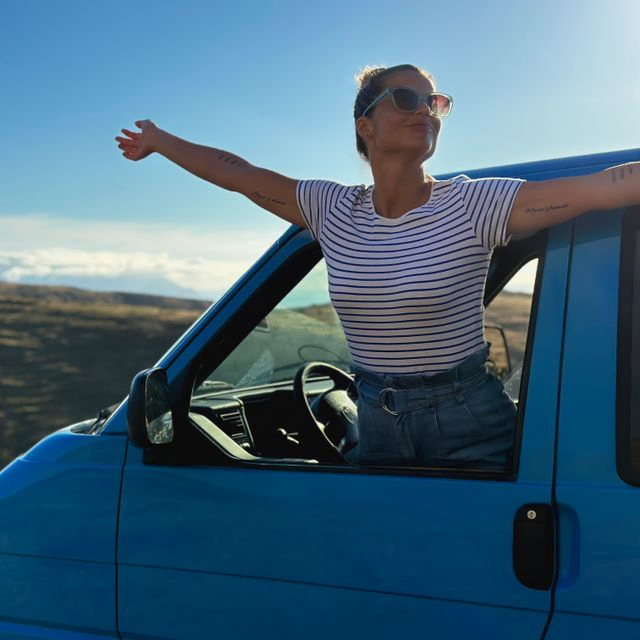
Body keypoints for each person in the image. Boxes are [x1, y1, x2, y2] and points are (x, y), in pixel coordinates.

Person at [115, 63, 639, 469]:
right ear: (365, 125)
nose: (426, 111)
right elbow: (238, 173)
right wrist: (160, 141)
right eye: (408, 99)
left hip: (469, 422)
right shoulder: (333, 211)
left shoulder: (474, 204)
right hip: (376, 420)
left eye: (435, 103)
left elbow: (602, 188)